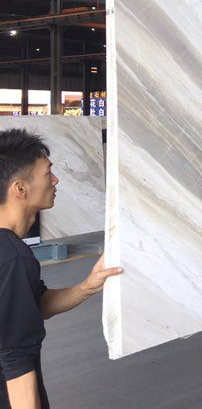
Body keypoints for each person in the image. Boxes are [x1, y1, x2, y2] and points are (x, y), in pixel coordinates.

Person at [0, 129, 122, 409]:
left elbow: (37, 304)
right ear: (20, 189)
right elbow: (16, 361)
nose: (55, 180)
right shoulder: (14, 259)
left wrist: (88, 285)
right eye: (48, 173)